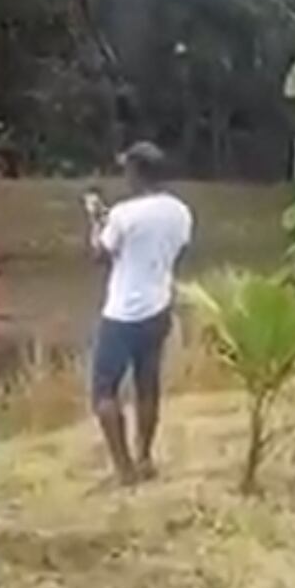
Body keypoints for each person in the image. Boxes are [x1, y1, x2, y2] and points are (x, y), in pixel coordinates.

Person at [84, 140, 193, 486]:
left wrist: (94, 221)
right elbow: (174, 250)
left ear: (136, 172)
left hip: (122, 315)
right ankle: (144, 457)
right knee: (148, 386)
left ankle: (124, 469)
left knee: (104, 391)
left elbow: (99, 256)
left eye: (127, 169)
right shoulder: (180, 211)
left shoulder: (123, 214)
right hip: (158, 308)